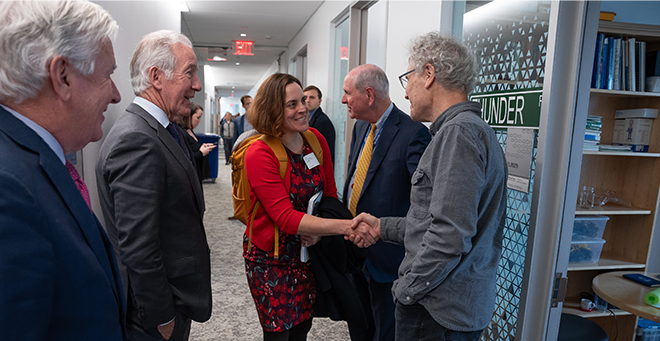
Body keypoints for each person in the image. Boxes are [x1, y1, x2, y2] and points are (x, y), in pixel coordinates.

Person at [351, 32, 508, 341]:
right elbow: (435, 220)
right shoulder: (461, 132)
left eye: (407, 77)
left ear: (429, 74)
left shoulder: (458, 135)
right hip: (445, 308)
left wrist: (407, 289)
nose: (405, 92)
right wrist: (383, 226)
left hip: (437, 312)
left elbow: (449, 234)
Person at [0, 1, 126, 340]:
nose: (116, 95)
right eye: (107, 75)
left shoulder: (31, 157)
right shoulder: (7, 187)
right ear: (63, 76)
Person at [96, 30, 212, 341]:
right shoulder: (137, 138)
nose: (197, 85)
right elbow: (139, 244)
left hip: (175, 295)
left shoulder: (161, 129)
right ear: (157, 76)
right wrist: (161, 317)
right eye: (189, 72)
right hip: (158, 312)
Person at [243, 73, 377, 341]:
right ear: (272, 110)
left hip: (308, 256)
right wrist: (348, 227)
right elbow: (285, 218)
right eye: (292, 104)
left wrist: (319, 232)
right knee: (279, 333)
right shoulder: (260, 153)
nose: (303, 108)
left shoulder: (314, 140)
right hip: (271, 260)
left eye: (303, 100)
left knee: (302, 326)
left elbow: (328, 195)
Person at [340, 64, 431, 341]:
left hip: (387, 257)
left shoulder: (413, 133)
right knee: (358, 323)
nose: (344, 100)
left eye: (347, 93)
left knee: (385, 330)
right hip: (354, 246)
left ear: (369, 95)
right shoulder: (360, 129)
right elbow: (357, 179)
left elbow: (423, 201)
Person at [179, 102, 216, 183]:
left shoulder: (190, 131)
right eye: (197, 118)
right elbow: (186, 159)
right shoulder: (181, 133)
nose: (199, 121)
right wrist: (201, 152)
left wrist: (202, 147)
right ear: (188, 116)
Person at [303, 85, 336, 163]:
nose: (307, 101)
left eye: (312, 97)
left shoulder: (323, 122)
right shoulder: (304, 119)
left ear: (319, 101)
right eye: (305, 98)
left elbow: (326, 153)